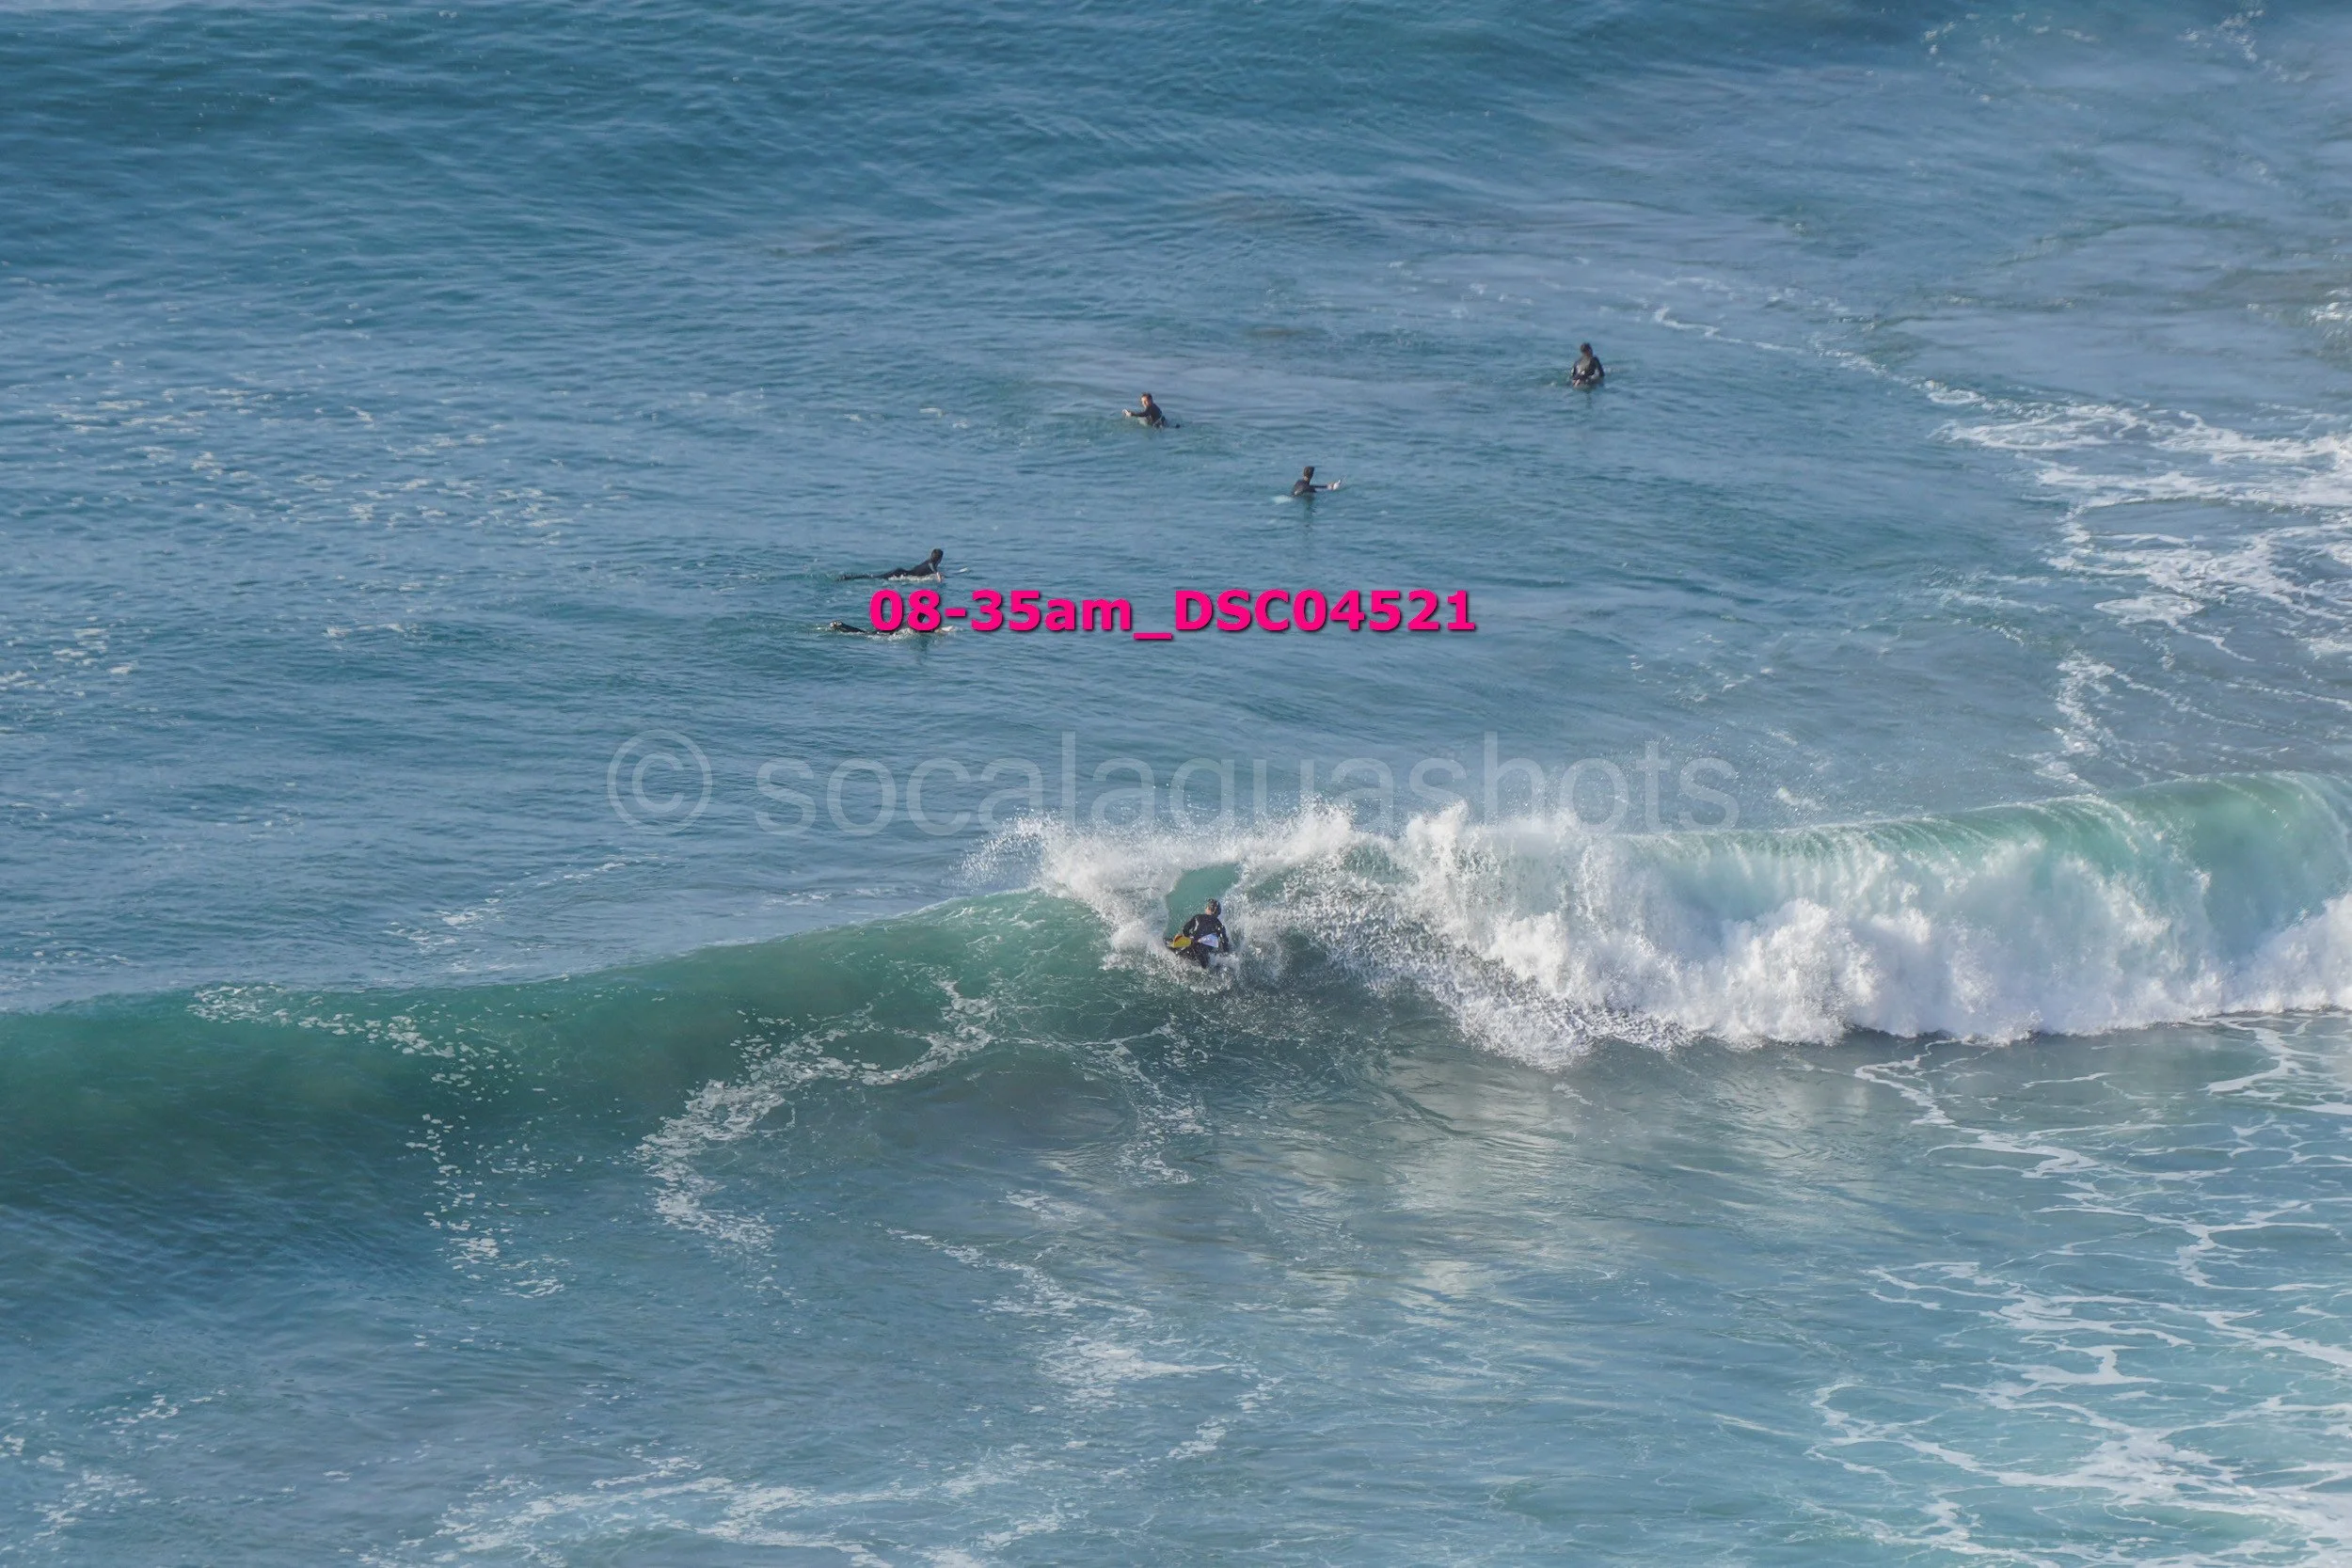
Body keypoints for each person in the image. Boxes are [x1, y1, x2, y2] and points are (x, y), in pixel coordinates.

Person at [1169, 899, 1230, 966]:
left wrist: (1188, 937)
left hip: (1189, 945)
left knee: (1177, 948)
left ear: (1208, 909)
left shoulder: (1197, 917)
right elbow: (1224, 943)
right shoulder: (1219, 925)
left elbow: (1184, 929)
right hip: (1201, 953)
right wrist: (1224, 953)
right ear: (1218, 913)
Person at [840, 548, 944, 581]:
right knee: (875, 578)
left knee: (875, 577)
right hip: (901, 574)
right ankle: (850, 578)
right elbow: (932, 568)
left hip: (901, 571)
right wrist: (938, 576)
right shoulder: (931, 564)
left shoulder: (928, 560)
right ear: (939, 559)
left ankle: (850, 578)